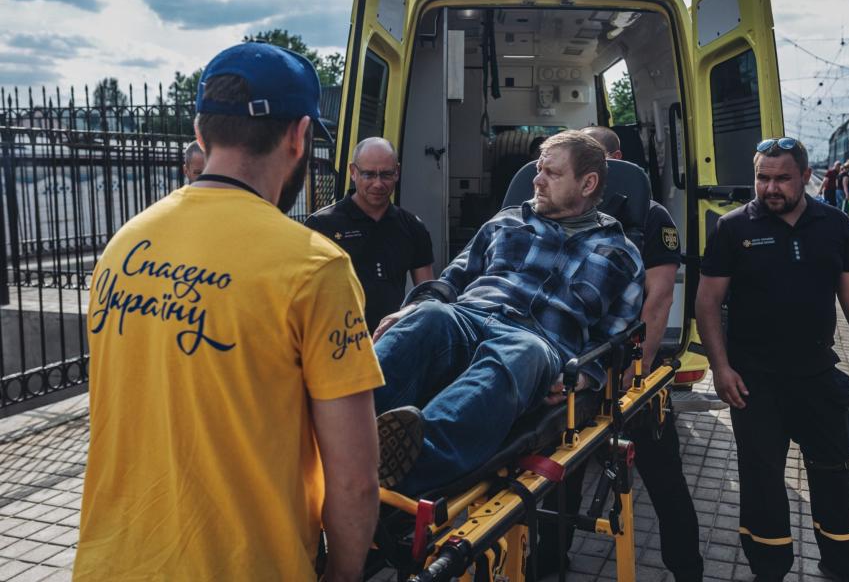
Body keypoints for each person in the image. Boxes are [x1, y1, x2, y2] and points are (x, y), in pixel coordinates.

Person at [74, 43, 383, 582]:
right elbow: (355, 478)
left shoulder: (123, 246)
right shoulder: (313, 268)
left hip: (111, 564)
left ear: (200, 131)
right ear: (299, 135)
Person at [372, 130, 645, 496]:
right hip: (467, 317)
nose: (536, 179)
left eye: (551, 173)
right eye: (538, 169)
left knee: (520, 353)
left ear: (588, 183)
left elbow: (615, 340)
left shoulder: (622, 256)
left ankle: (408, 462)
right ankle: (335, 424)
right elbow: (452, 279)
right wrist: (415, 306)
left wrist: (584, 376)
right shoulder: (504, 222)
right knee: (430, 316)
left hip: (537, 343)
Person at [695, 137, 849, 582]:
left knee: (833, 475)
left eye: (782, 178)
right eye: (762, 177)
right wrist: (720, 368)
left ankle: (843, 568)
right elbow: (707, 303)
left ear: (806, 177)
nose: (770, 188)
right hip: (754, 383)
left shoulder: (835, 224)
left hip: (817, 375)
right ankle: (769, 570)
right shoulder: (732, 228)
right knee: (762, 482)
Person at [536, 126, 703, 581]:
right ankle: (551, 560)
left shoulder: (650, 218)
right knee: (561, 476)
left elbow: (659, 298)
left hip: (629, 371)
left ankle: (686, 568)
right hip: (575, 370)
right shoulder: (554, 216)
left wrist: (636, 369)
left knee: (663, 476)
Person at [305, 137, 435, 330]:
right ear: (353, 172)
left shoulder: (412, 227)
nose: (378, 184)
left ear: (397, 172)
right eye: (368, 175)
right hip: (337, 344)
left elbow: (428, 294)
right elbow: (305, 296)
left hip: (392, 342)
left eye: (386, 174)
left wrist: (407, 314)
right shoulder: (322, 225)